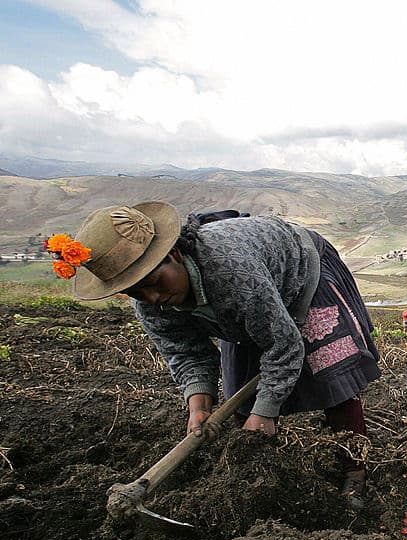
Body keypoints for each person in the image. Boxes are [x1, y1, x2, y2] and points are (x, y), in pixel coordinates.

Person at [54, 202, 381, 509]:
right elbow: (186, 352)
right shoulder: (150, 303)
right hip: (249, 303)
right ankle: (264, 479)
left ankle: (354, 471)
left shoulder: (230, 270)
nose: (154, 297)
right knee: (241, 400)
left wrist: (266, 411)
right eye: (136, 292)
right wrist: (199, 403)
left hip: (303, 275)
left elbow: (282, 344)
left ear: (176, 254)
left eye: (154, 282)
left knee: (331, 381)